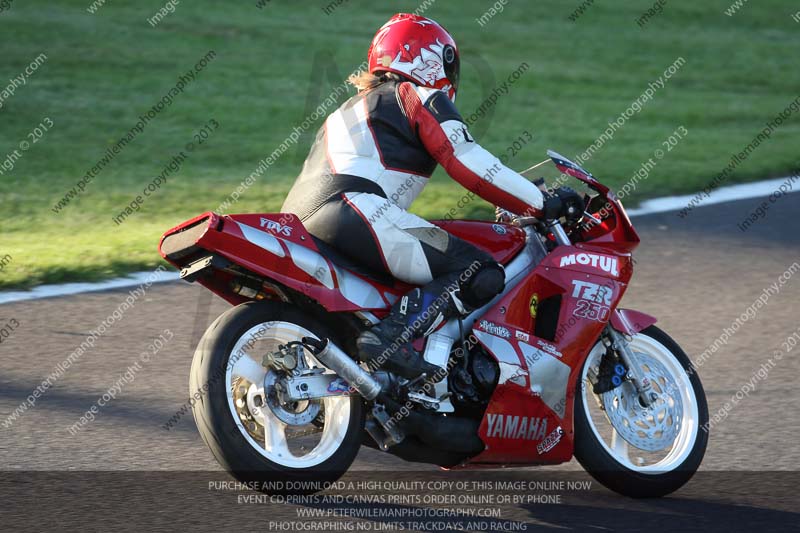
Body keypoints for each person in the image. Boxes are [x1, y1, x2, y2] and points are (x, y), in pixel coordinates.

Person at [282, 13, 565, 381]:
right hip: (354, 208)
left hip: (301, 220)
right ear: (426, 57)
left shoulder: (348, 110)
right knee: (476, 268)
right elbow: (467, 162)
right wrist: (540, 203)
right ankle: (389, 340)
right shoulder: (417, 95)